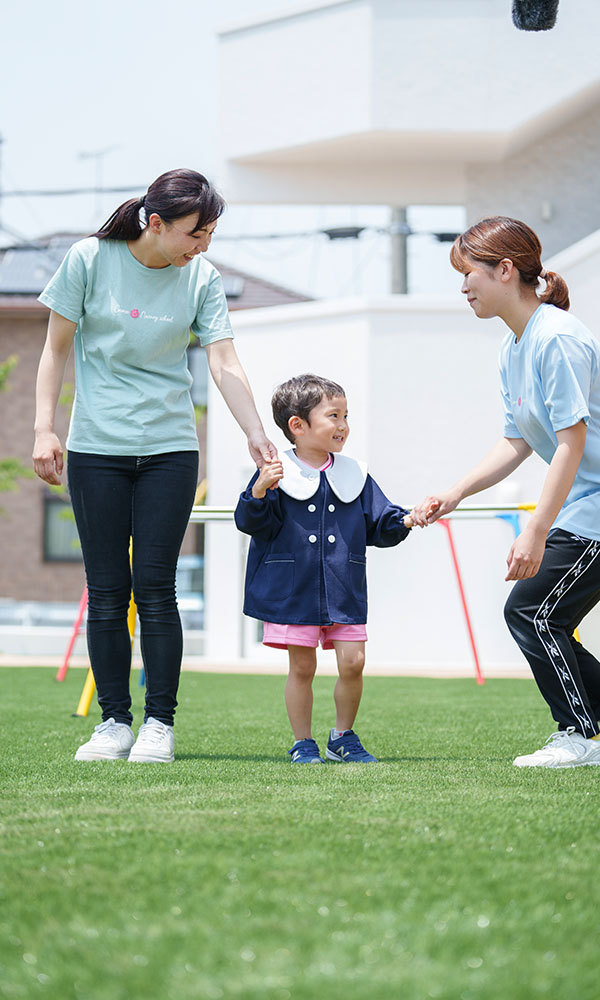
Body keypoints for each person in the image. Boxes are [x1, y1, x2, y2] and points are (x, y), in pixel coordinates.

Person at [33, 168, 276, 763]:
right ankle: (113, 722)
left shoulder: (202, 278)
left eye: (211, 234)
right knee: (108, 591)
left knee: (158, 589)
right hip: (96, 449)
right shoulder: (90, 259)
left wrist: (254, 431)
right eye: (197, 233)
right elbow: (55, 348)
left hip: (170, 449)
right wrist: (43, 428)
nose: (204, 246)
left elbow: (223, 362)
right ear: (157, 223)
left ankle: (158, 724)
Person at [411, 216, 600, 769]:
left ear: (505, 269)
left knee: (534, 611)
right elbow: (516, 441)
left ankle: (578, 735)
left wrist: (535, 532)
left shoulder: (557, 339)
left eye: (468, 274)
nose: (463, 288)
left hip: (593, 504)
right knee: (537, 613)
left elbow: (570, 443)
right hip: (582, 503)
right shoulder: (514, 347)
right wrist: (454, 493)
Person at [234, 373, 415, 763]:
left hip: (343, 587)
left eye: (346, 415)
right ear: (297, 426)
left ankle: (342, 737)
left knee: (354, 661)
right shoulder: (275, 470)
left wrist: (406, 520)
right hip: (292, 589)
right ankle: (303, 741)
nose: (343, 425)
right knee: (302, 666)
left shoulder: (355, 474)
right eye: (333, 415)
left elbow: (379, 523)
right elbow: (252, 523)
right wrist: (260, 489)